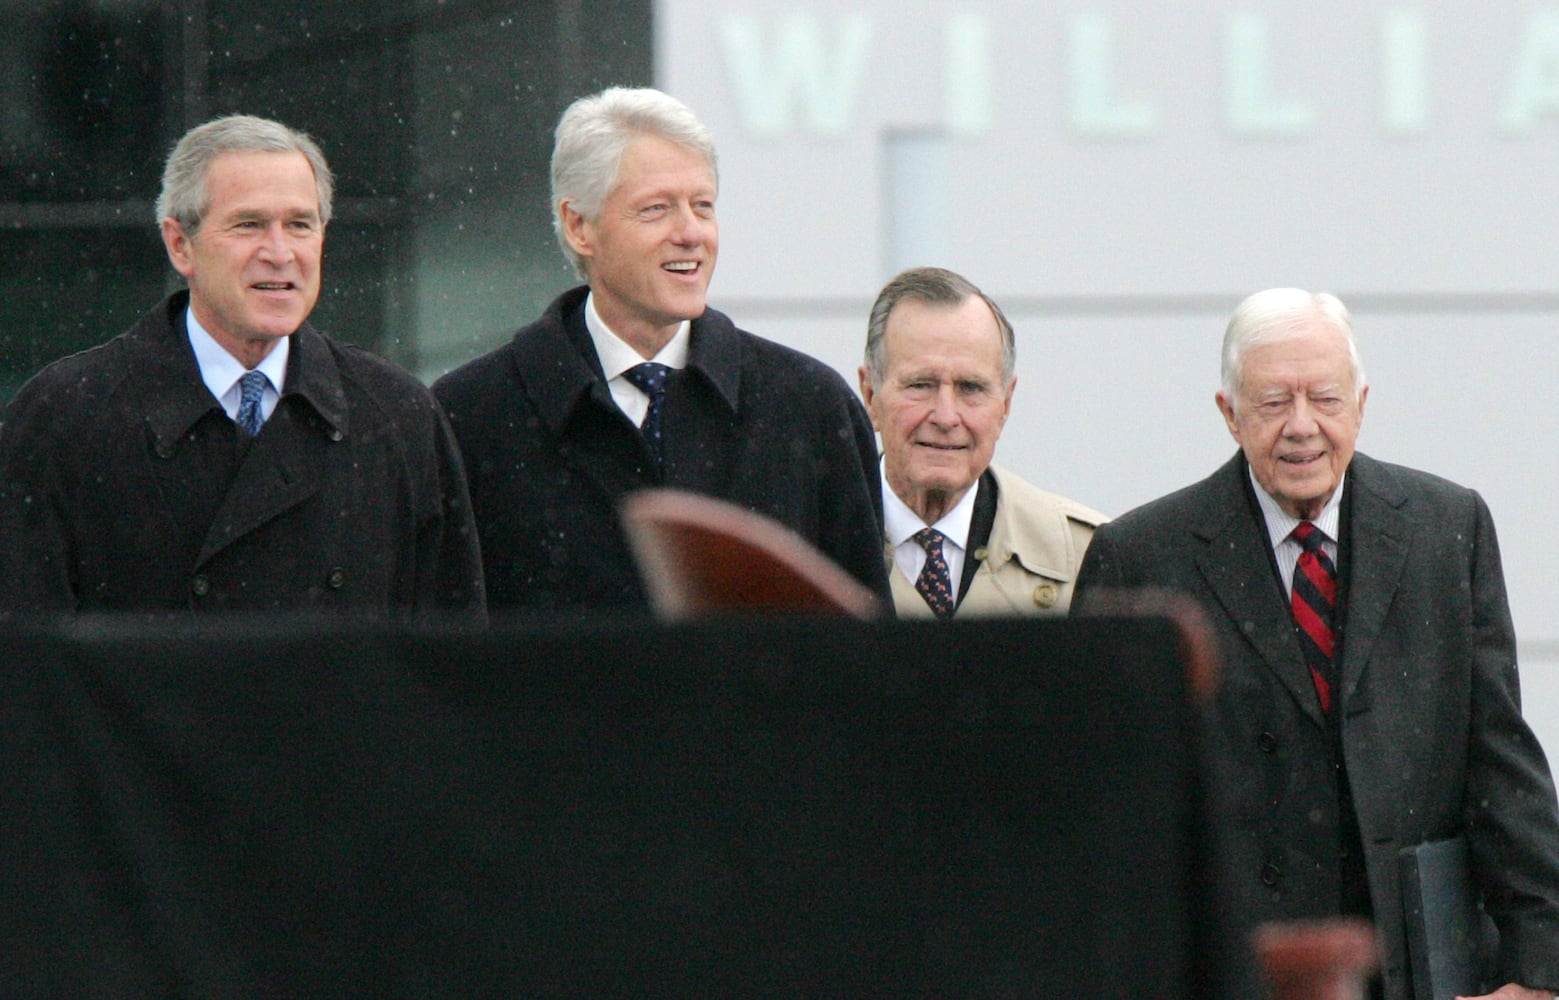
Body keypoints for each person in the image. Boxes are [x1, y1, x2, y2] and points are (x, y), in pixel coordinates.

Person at [1073, 288, 1559, 1000]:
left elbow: (1501, 766)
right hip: (1241, 970)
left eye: (1324, 400)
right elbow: (1109, 810)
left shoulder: (1443, 530)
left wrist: (1537, 971)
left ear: (1360, 404)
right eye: (1272, 403)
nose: (1302, 428)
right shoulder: (1142, 559)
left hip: (1418, 968)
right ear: (1227, 413)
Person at [0, 114, 484, 619]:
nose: (279, 253)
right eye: (248, 224)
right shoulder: (66, 415)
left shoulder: (396, 416)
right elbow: (27, 665)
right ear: (179, 244)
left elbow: (449, 666)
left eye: (299, 225)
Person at [433, 87, 888, 613]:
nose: (691, 233)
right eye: (656, 209)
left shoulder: (809, 406)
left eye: (703, 206)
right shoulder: (470, 416)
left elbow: (866, 653)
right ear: (580, 226)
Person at [859, 267, 1106, 618]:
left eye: (971, 388)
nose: (945, 417)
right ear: (870, 395)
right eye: (920, 385)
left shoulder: (1086, 557)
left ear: (1005, 404)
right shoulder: (805, 552)